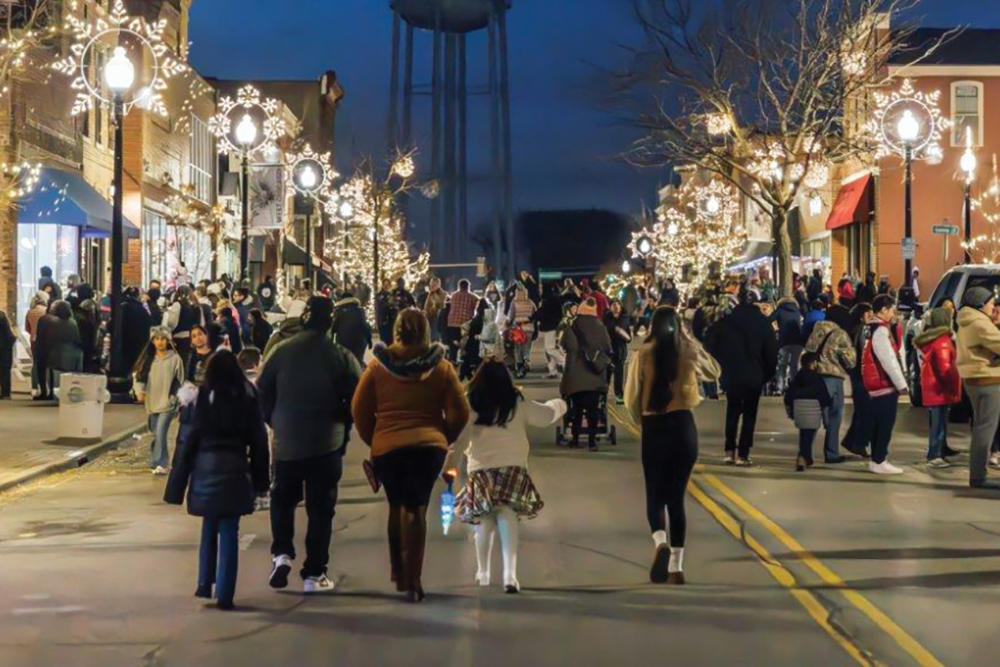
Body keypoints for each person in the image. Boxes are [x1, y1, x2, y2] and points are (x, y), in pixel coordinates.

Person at [351, 309, 470, 603]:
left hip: (388, 447)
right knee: (417, 508)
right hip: (427, 447)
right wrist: (444, 435)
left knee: (395, 506)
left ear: (397, 330)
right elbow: (460, 411)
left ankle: (399, 571)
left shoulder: (377, 368)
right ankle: (414, 577)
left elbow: (359, 409)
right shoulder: (441, 368)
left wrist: (375, 438)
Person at [258, 296, 362, 594]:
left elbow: (263, 388)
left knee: (282, 500)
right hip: (326, 442)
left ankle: (281, 554)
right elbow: (358, 397)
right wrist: (343, 422)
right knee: (320, 508)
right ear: (331, 323)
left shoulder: (280, 351)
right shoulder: (341, 356)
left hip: (287, 440)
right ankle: (314, 572)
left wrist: (274, 420)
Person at [164, 351, 269, 611]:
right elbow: (259, 443)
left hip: (205, 469)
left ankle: (204, 583)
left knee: (209, 524)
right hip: (236, 469)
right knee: (229, 532)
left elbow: (187, 444)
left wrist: (177, 486)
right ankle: (225, 592)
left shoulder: (200, 398)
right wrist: (261, 483)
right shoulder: (247, 396)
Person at [624, 306, 721, 585]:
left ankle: (660, 543)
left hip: (654, 426)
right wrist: (692, 341)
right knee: (676, 497)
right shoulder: (688, 350)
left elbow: (631, 396)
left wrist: (639, 421)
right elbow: (715, 371)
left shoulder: (641, 354)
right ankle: (677, 568)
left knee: (655, 493)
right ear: (679, 327)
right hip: (683, 427)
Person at [449, 360, 563, 593]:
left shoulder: (471, 406)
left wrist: (447, 467)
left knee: (485, 521)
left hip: (481, 472)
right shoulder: (516, 403)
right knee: (507, 515)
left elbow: (458, 443)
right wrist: (560, 404)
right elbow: (545, 416)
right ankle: (510, 575)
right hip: (513, 469)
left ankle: (483, 571)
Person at [708, 290, 778, 465]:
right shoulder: (763, 323)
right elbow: (771, 353)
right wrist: (766, 374)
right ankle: (743, 453)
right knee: (749, 414)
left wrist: (721, 366)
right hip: (754, 375)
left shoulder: (726, 322)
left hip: (731, 373)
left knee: (732, 411)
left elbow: (710, 343)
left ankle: (729, 449)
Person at [956, 287, 1000, 488]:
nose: (994, 307)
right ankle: (978, 476)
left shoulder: (967, 320)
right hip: (988, 380)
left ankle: (978, 474)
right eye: (992, 303)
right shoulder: (980, 323)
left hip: (974, 379)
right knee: (985, 429)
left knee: (982, 427)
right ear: (981, 304)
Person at [801, 305, 856, 464]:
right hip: (833, 377)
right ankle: (831, 453)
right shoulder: (840, 334)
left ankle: (806, 454)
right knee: (834, 416)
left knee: (813, 416)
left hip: (814, 377)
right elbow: (850, 361)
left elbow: (808, 350)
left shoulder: (816, 330)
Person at [860, 295, 907, 475]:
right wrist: (901, 384)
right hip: (883, 384)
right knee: (885, 424)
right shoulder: (880, 331)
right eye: (892, 310)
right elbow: (889, 360)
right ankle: (879, 459)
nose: (893, 314)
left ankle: (877, 458)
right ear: (884, 310)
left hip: (873, 384)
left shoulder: (869, 328)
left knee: (878, 423)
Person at [560, 297, 612, 451]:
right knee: (593, 410)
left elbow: (565, 344)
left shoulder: (573, 327)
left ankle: (575, 440)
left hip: (575, 376)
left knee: (576, 409)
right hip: (594, 376)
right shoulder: (600, 326)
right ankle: (591, 442)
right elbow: (607, 347)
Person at [134, 326, 186, 474]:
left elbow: (179, 380)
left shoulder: (175, 359)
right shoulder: (148, 360)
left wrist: (174, 398)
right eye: (157, 339)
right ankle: (160, 460)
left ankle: (159, 462)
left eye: (163, 339)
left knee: (161, 432)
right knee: (155, 433)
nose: (160, 342)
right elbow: (139, 377)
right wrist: (140, 392)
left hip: (167, 402)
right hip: (152, 401)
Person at [916, 307, 961, 468]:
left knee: (938, 421)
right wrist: (953, 387)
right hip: (939, 389)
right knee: (939, 423)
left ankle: (936, 452)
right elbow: (945, 369)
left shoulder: (932, 340)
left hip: (932, 387)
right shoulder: (943, 341)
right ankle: (935, 455)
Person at [784, 352, 833, 472]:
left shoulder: (798, 377)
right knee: (809, 436)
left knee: (804, 434)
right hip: (813, 412)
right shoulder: (817, 378)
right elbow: (825, 397)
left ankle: (807, 457)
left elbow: (788, 396)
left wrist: (790, 410)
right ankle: (802, 458)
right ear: (814, 363)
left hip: (800, 411)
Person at [771, 296, 804, 393]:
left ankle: (779, 387)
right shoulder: (798, 311)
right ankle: (794, 386)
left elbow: (769, 320)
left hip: (784, 341)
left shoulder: (779, 311)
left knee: (782, 365)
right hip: (798, 342)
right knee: (794, 365)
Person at [120, 287, 153, 379]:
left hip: (123, 342)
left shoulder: (122, 308)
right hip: (138, 343)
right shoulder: (142, 310)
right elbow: (147, 327)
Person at [332, 293, 373, 367]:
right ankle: (359, 374)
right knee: (358, 360)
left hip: (344, 342)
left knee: (345, 363)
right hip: (359, 341)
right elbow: (365, 326)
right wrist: (369, 339)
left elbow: (334, 328)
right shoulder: (361, 311)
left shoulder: (339, 311)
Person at [604, 300, 632, 403]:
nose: (615, 306)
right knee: (606, 373)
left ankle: (618, 394)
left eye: (617, 304)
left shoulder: (625, 318)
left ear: (621, 307)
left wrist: (624, 334)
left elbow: (628, 336)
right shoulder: (607, 318)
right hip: (608, 350)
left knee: (619, 373)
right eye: (613, 304)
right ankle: (603, 394)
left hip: (620, 350)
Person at [536, 283, 565, 379]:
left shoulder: (549, 300)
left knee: (550, 348)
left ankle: (564, 362)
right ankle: (552, 371)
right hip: (553, 325)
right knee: (548, 349)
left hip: (551, 326)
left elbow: (542, 312)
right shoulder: (553, 298)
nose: (539, 290)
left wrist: (533, 316)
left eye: (540, 288)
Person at [447, 279, 479, 363]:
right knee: (465, 345)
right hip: (465, 324)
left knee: (453, 345)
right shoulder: (473, 297)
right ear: (468, 287)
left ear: (459, 286)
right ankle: (465, 360)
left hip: (452, 322)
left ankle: (452, 360)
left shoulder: (453, 296)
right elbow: (480, 305)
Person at [509, 285, 536, 377]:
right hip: (529, 328)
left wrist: (508, 325)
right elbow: (534, 314)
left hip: (518, 329)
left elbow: (511, 315)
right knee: (527, 347)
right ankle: (526, 360)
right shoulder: (530, 302)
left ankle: (520, 367)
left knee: (518, 348)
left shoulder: (514, 302)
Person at [423, 277, 447, 342]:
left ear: (439, 285)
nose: (432, 286)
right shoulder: (430, 294)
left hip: (437, 317)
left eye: (434, 284)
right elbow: (427, 304)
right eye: (431, 284)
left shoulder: (443, 294)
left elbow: (440, 303)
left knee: (436, 335)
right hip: (429, 316)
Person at [375, 279, 397, 344]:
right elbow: (379, 307)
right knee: (384, 339)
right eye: (385, 285)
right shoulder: (379, 295)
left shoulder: (392, 294)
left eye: (387, 285)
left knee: (391, 339)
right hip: (383, 319)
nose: (386, 286)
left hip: (391, 320)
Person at [0, 308, 14, 399]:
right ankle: (5, 393)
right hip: (5, 348)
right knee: (5, 371)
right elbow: (9, 336)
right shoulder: (3, 319)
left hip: (4, 347)